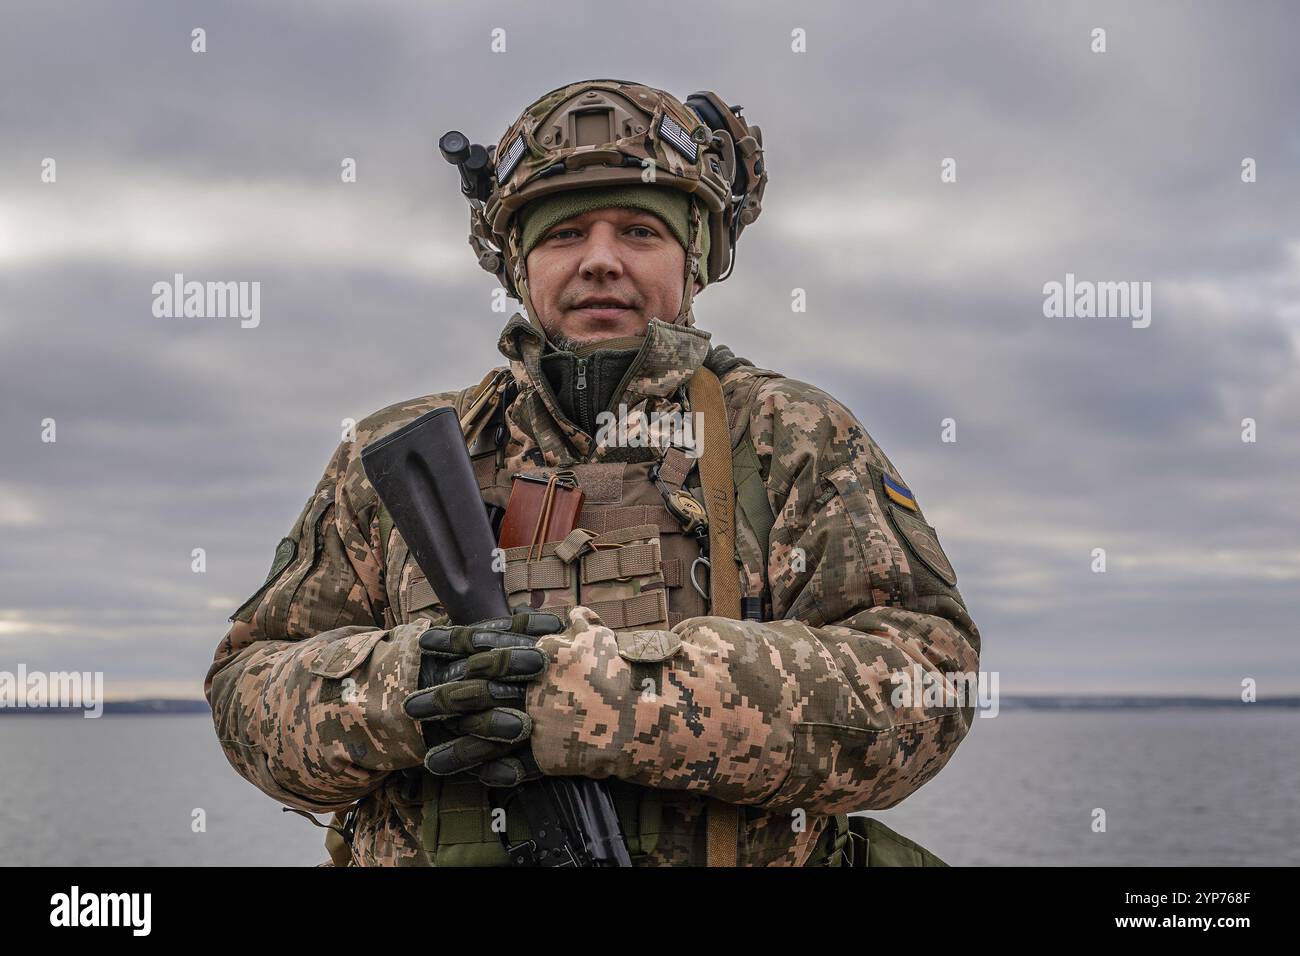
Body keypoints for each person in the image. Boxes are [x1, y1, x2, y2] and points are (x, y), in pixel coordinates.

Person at [205, 78, 982, 867]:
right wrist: (411, 689)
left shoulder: (789, 435)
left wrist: (602, 696)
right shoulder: (398, 453)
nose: (601, 261)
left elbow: (927, 684)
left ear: (693, 260)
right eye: (565, 234)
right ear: (521, 265)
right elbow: (247, 699)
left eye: (640, 231)